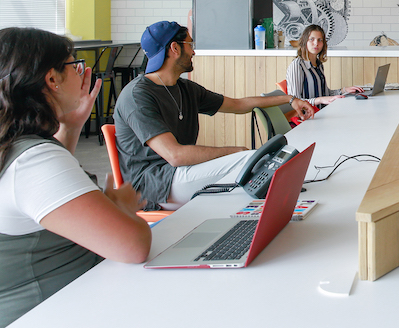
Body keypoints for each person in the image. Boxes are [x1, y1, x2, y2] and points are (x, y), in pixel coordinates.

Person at [0, 28, 151, 327]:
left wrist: (70, 126)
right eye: (74, 65)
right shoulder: (34, 163)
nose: (83, 73)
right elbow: (134, 246)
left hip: (72, 297)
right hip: (48, 311)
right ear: (52, 79)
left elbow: (48, 201)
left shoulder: (16, 146)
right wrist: (120, 206)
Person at [114, 21, 314, 211]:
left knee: (249, 171)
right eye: (190, 45)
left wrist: (290, 99)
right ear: (175, 48)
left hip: (180, 173)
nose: (193, 51)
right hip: (152, 186)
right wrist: (235, 151)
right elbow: (175, 155)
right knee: (246, 162)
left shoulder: (185, 88)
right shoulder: (137, 96)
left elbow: (238, 104)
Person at [286, 24, 363, 107]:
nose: (316, 43)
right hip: (307, 116)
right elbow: (294, 101)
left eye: (320, 40)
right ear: (305, 42)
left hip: (322, 111)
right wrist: (320, 100)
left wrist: (344, 90)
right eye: (312, 39)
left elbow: (325, 93)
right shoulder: (297, 65)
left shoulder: (318, 65)